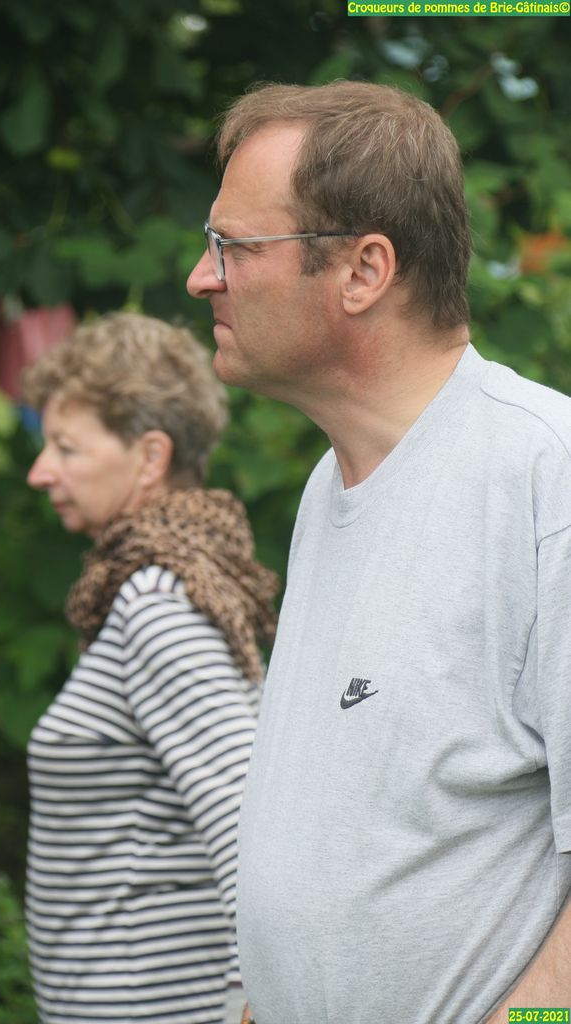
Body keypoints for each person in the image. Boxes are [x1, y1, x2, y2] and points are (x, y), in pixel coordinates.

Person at [186, 81, 571, 1024]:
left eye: (235, 247)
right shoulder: (333, 486)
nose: (201, 277)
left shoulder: (545, 479)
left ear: (364, 271)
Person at [22, 312, 278, 1024]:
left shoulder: (156, 605)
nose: (40, 471)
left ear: (149, 457)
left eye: (66, 447)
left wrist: (254, 1004)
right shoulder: (169, 585)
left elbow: (246, 817)